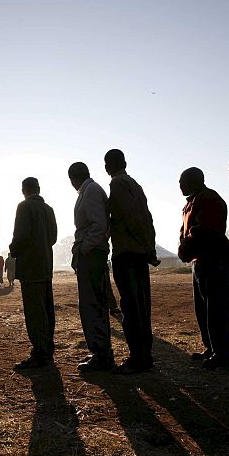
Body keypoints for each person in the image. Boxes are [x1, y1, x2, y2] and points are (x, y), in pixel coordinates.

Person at [105, 149, 159, 374]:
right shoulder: (135, 185)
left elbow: (130, 217)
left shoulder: (117, 185)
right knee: (141, 306)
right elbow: (147, 218)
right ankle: (145, 356)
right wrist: (149, 247)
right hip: (139, 253)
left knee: (131, 307)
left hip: (127, 252)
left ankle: (137, 358)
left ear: (108, 166)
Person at [178, 167, 229, 370]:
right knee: (203, 308)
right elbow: (186, 230)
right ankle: (212, 347)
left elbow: (203, 231)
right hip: (200, 260)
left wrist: (185, 246)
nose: (179, 185)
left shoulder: (209, 200)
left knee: (217, 308)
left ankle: (224, 353)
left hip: (213, 260)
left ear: (194, 181)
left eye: (182, 181)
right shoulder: (191, 202)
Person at [67, 162, 115, 371]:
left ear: (73, 178)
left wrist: (84, 249)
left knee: (92, 303)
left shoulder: (91, 192)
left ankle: (102, 353)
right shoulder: (89, 191)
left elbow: (99, 226)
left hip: (92, 255)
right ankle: (100, 351)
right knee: (92, 303)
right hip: (91, 254)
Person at [9, 177, 58, 369]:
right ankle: (47, 349)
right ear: (38, 189)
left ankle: (40, 353)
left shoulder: (24, 207)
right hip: (45, 266)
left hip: (30, 266)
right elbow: (53, 237)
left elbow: (21, 235)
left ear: (24, 190)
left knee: (34, 311)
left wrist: (13, 249)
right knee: (46, 310)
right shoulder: (48, 209)